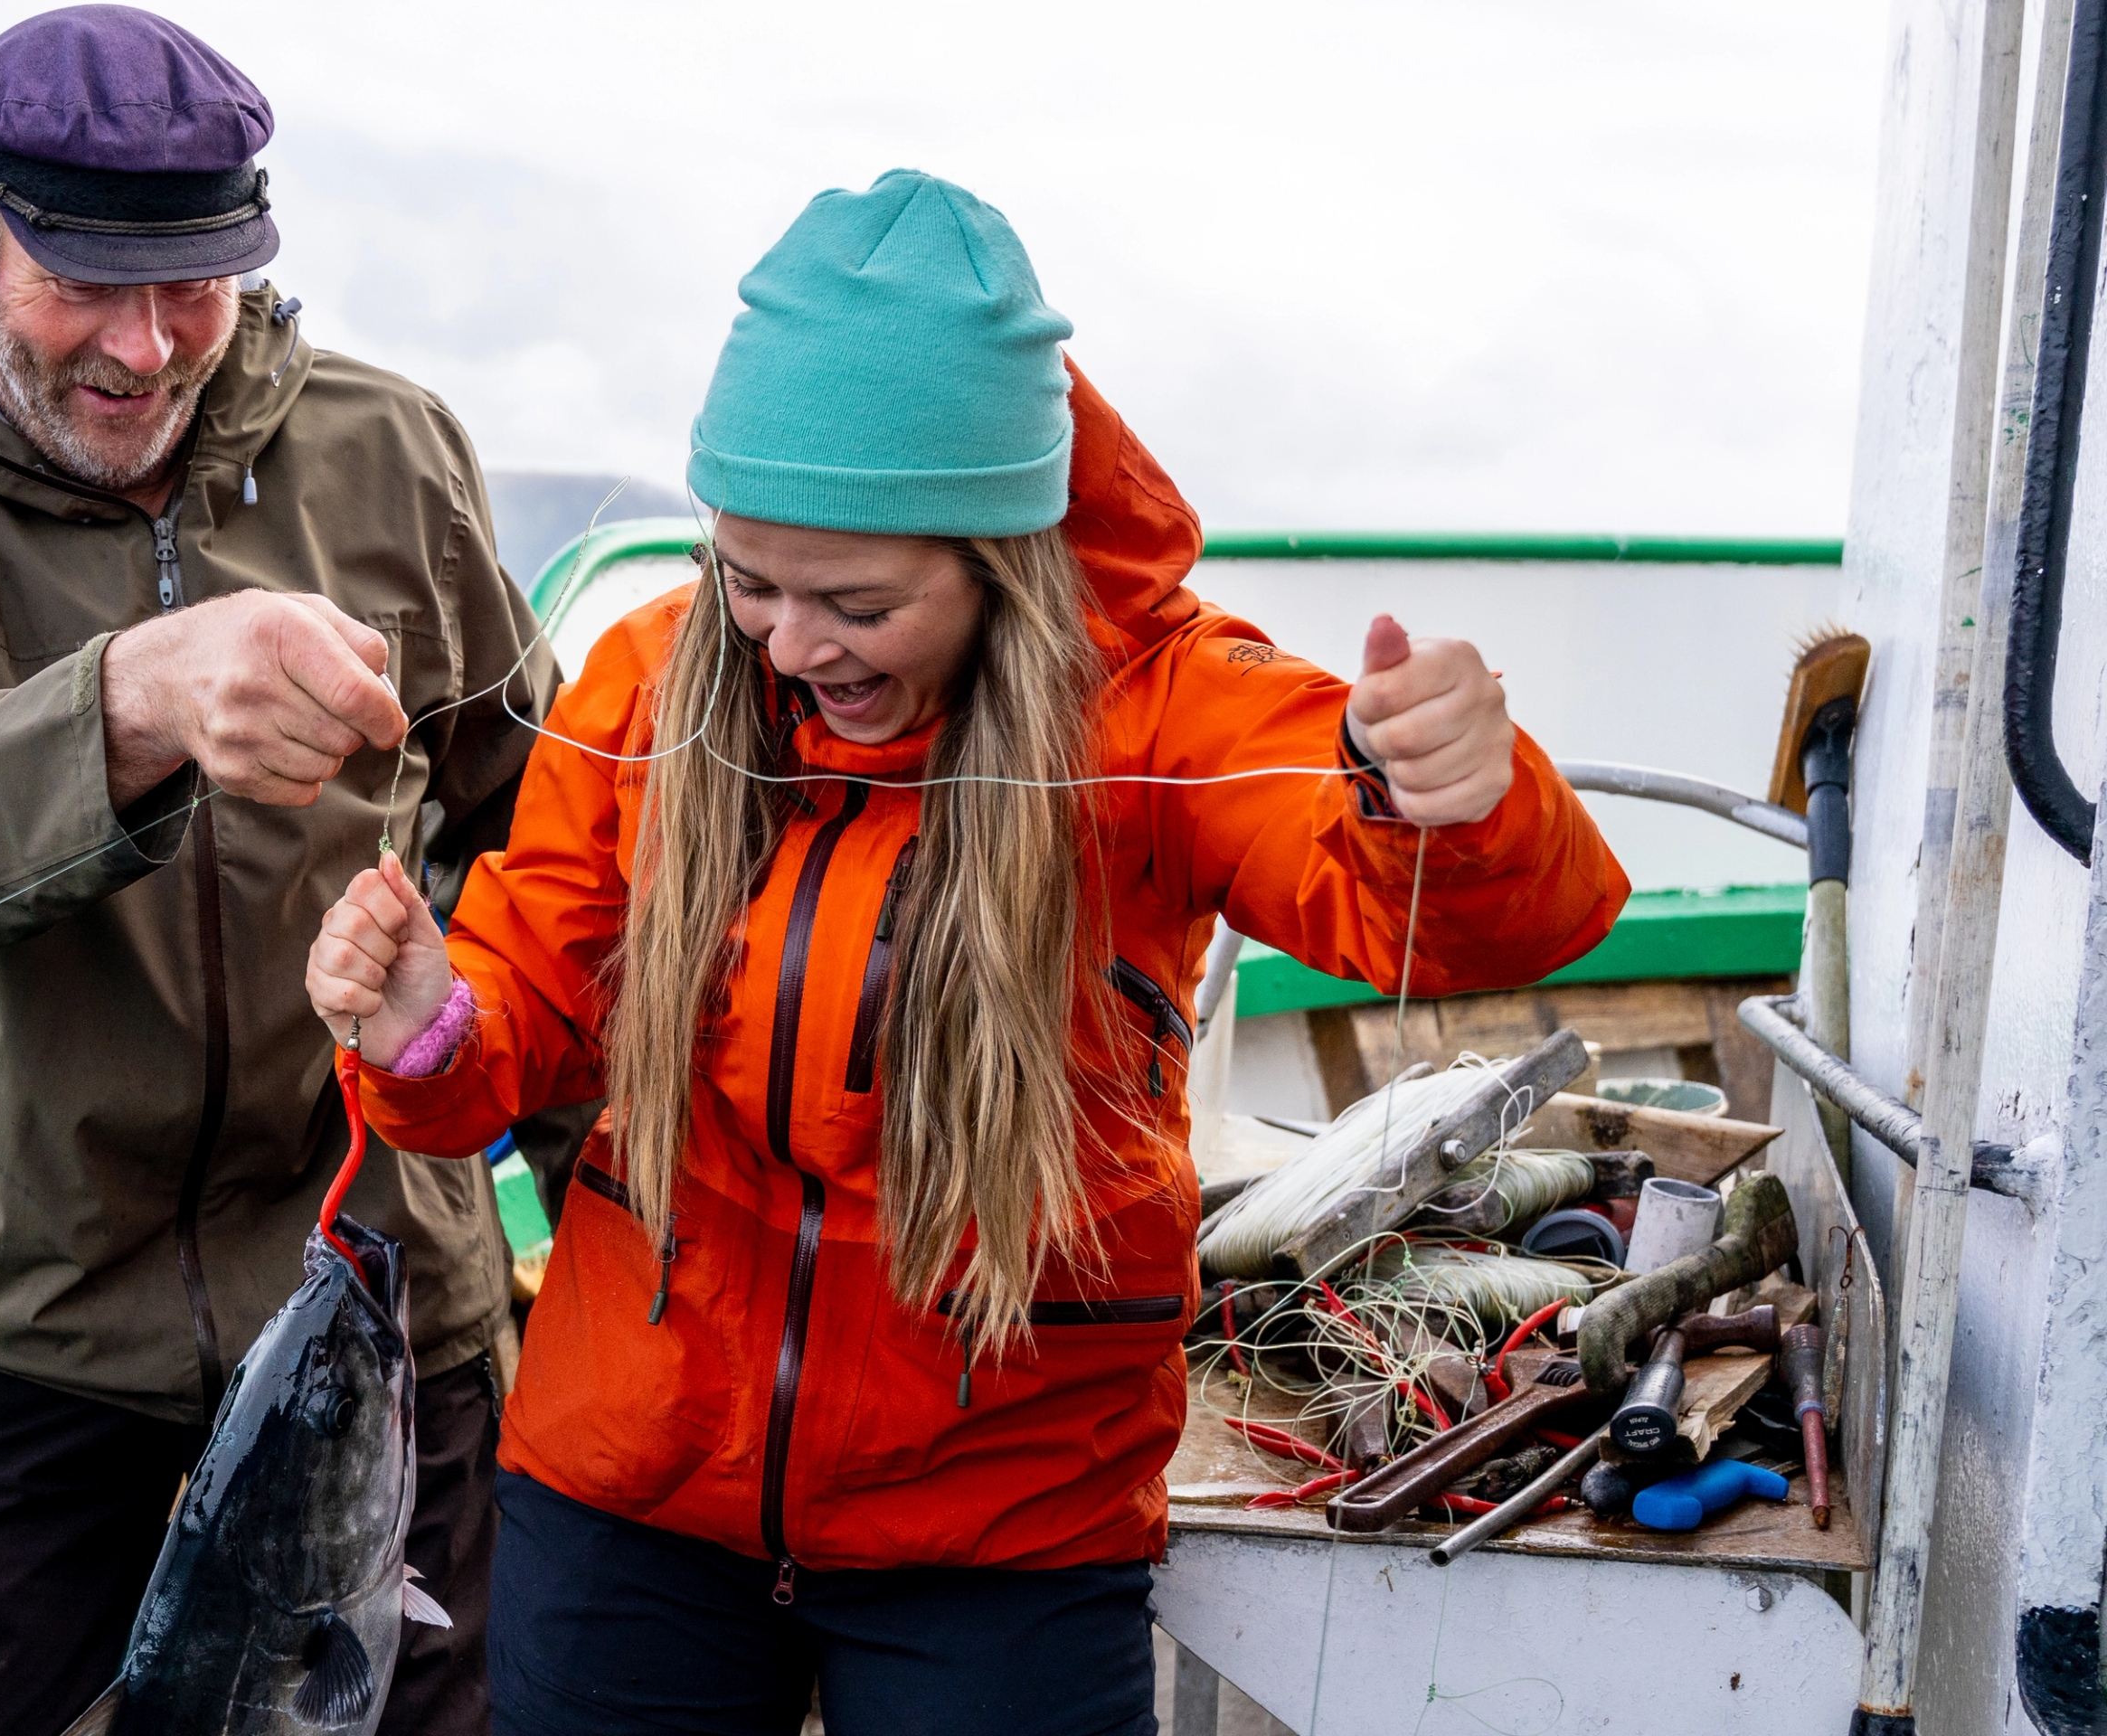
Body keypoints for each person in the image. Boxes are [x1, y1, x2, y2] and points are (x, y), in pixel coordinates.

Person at [304, 171, 1630, 1735]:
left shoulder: (1159, 713)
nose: (788, 645)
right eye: (747, 579)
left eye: (855, 601)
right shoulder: (651, 685)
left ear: (1001, 557)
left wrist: (1455, 800)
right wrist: (418, 1026)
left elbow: (1482, 914)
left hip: (1003, 1524)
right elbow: (503, 1039)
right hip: (631, 1497)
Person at [0, 8, 553, 1734]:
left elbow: (542, 841)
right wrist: (134, 697)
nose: (145, 346)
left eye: (197, 283)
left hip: (389, 1323)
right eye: (81, 282)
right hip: (36, 1358)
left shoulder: (395, 453)